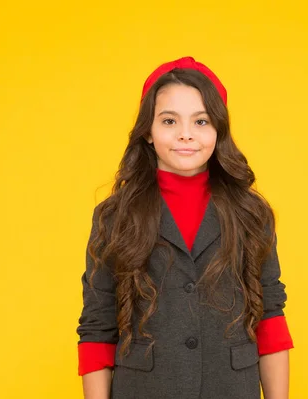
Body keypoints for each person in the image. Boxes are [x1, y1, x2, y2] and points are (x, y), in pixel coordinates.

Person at [76, 56, 294, 399]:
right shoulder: (114, 216)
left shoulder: (251, 213)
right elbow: (97, 330)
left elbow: (270, 319)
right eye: (169, 120)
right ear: (148, 131)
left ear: (218, 130)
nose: (186, 134)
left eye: (202, 121)